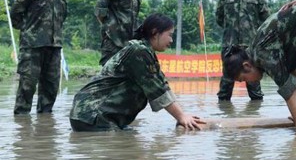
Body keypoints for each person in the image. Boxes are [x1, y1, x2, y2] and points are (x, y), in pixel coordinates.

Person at [69, 13, 205, 131]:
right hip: (92, 115)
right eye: (169, 35)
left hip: (95, 116)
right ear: (155, 32)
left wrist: (183, 115)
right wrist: (181, 117)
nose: (171, 40)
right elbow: (156, 90)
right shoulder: (138, 51)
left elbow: (163, 86)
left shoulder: (146, 53)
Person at [223, 1, 296, 134]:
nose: (249, 82)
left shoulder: (263, 55)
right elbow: (294, 77)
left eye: (244, 79)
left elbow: (288, 93)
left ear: (246, 65)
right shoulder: (258, 48)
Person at [11, 0, 67, 114]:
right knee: (27, 88)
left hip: (54, 46)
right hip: (32, 46)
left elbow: (63, 16)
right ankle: (22, 128)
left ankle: (45, 129)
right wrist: (30, 31)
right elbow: (15, 15)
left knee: (50, 88)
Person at [215, 0, 269, 101]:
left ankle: (255, 115)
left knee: (254, 86)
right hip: (230, 46)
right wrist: (231, 31)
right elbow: (219, 18)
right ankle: (225, 114)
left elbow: (265, 17)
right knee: (226, 85)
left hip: (250, 46)